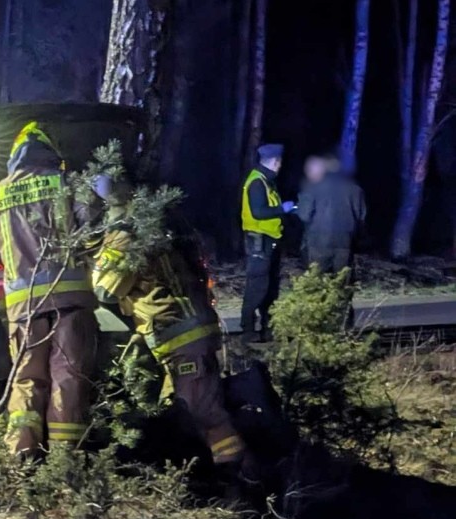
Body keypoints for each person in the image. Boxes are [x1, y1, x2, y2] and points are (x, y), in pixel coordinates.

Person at [93, 221, 255, 480]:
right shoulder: (164, 224)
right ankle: (214, 476)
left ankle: (241, 483)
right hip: (193, 328)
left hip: (178, 333)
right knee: (188, 410)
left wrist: (98, 256)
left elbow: (105, 290)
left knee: (204, 413)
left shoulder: (126, 235)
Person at [0, 122, 98, 456]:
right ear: (50, 153)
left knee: (26, 379)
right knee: (67, 377)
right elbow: (91, 228)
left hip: (23, 306)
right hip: (69, 300)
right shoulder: (67, 183)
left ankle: (22, 454)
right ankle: (63, 457)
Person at [240, 143, 297, 342]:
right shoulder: (257, 182)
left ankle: (266, 328)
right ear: (275, 162)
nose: (281, 166)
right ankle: (247, 331)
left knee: (270, 288)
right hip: (259, 243)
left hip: (268, 242)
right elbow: (259, 212)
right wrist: (284, 209)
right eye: (280, 162)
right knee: (257, 287)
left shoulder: (265, 180)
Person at [298, 154, 366, 275]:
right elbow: (361, 217)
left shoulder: (312, 187)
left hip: (318, 241)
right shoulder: (355, 189)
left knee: (316, 280)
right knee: (341, 280)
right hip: (345, 241)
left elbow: (304, 215)